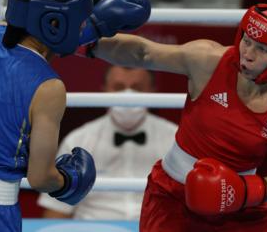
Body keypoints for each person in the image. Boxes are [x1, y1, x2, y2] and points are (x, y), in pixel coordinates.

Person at [0, 0, 151, 232]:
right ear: (54, 24)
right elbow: (40, 177)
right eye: (80, 20)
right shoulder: (49, 88)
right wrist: (69, 182)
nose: (83, 24)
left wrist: (92, 28)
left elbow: (27, 37)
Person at [74, 1, 267, 231]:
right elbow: (143, 54)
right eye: (247, 41)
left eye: (262, 49)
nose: (247, 54)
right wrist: (77, 39)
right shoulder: (208, 61)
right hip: (172, 199)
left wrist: (239, 191)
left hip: (244, 206)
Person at [37, 66, 177, 220]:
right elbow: (57, 210)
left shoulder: (174, 138)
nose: (127, 95)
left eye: (137, 88)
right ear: (104, 90)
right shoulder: (78, 139)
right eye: (118, 87)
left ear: (152, 91)